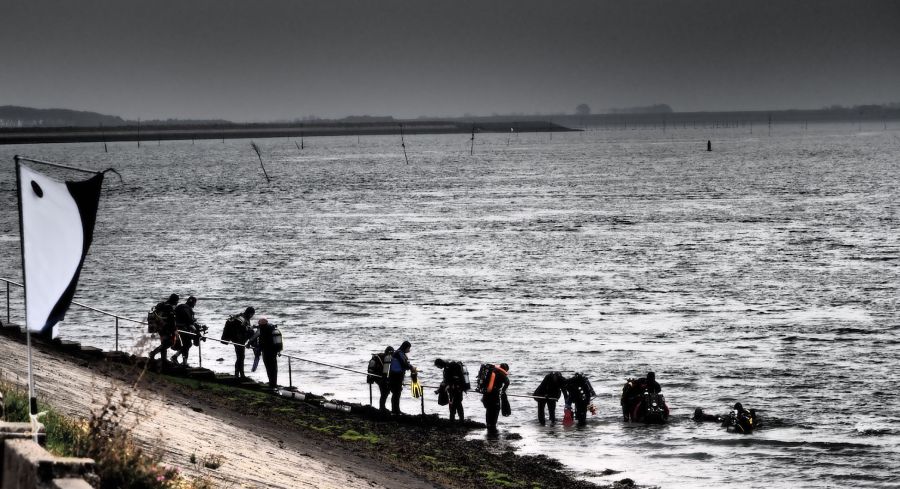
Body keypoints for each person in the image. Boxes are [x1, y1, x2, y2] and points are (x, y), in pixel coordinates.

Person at [248, 318, 281, 390]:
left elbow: (255, 337)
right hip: (274, 351)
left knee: (269, 368)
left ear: (261, 324)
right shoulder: (272, 328)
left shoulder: (262, 329)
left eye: (259, 324)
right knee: (274, 368)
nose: (259, 325)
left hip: (266, 352)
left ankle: (272, 384)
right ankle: (273, 384)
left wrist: (249, 343)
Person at [222, 307, 255, 378]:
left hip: (236, 339)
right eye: (252, 314)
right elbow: (242, 330)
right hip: (238, 340)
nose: (252, 316)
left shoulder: (241, 317)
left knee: (240, 356)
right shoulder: (243, 319)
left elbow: (243, 328)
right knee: (240, 357)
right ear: (250, 313)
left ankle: (239, 374)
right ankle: (239, 374)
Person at [148, 294, 179, 367]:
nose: (177, 302)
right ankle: (153, 353)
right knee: (169, 343)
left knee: (164, 342)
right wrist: (174, 330)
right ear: (174, 300)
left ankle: (163, 359)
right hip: (166, 327)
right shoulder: (169, 307)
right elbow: (171, 320)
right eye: (177, 301)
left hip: (159, 326)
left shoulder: (162, 305)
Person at [434, 358, 469, 423]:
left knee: (455, 405)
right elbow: (446, 380)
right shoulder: (447, 367)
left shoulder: (448, 368)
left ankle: (453, 421)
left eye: (437, 366)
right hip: (456, 389)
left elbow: (452, 379)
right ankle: (460, 420)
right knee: (457, 404)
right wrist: (439, 390)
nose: (438, 367)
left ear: (439, 364)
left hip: (456, 389)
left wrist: (450, 386)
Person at [481, 363, 510, 436]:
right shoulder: (501, 374)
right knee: (495, 410)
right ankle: (493, 427)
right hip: (494, 394)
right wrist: (503, 391)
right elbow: (507, 382)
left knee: (489, 410)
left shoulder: (491, 371)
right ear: (505, 369)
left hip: (487, 394)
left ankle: (488, 426)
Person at [170, 296, 200, 366]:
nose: (194, 305)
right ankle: (184, 362)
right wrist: (196, 331)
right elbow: (190, 322)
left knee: (187, 345)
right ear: (193, 303)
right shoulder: (187, 309)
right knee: (187, 344)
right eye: (195, 303)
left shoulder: (181, 306)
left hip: (176, 328)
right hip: (183, 329)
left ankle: (175, 357)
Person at [388, 341, 415, 415]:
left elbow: (404, 363)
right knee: (396, 393)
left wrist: (410, 367)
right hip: (396, 376)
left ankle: (396, 410)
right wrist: (411, 367)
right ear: (405, 347)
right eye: (408, 348)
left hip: (396, 376)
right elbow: (404, 364)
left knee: (397, 393)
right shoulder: (399, 353)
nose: (409, 350)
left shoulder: (399, 353)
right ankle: (395, 411)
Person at [372, 346, 395, 412]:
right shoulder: (387, 358)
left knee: (384, 392)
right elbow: (386, 371)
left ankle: (382, 407)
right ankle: (382, 407)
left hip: (377, 377)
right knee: (384, 392)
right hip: (381, 378)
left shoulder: (381, 356)